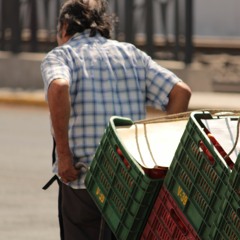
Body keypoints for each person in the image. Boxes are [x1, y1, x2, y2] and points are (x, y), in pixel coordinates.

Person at [41, 0, 191, 239]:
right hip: (131, 184)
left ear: (64, 27)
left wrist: (64, 157)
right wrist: (162, 155)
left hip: (84, 181)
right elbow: (180, 92)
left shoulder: (61, 56)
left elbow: (58, 87)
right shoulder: (131, 54)